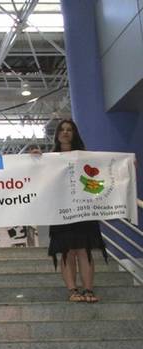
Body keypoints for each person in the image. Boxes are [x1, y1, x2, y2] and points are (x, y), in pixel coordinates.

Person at [31, 119, 107, 303]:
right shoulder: (49, 158)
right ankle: (73, 290)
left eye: (69, 130)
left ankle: (88, 289)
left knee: (84, 251)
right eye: (62, 130)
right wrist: (34, 159)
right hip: (61, 212)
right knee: (67, 251)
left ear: (74, 134)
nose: (65, 132)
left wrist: (125, 166)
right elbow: (36, 176)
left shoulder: (85, 157)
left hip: (84, 210)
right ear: (57, 134)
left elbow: (106, 168)